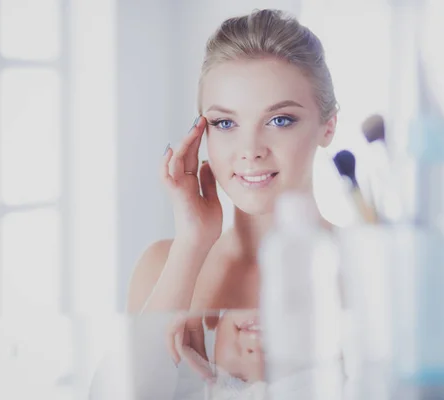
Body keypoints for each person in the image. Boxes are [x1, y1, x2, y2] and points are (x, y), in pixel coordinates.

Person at [121, 7, 339, 395]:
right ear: (202, 133)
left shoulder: (366, 266)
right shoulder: (161, 267)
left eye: (280, 120)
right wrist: (192, 241)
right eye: (225, 123)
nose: (250, 150)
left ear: (328, 126)